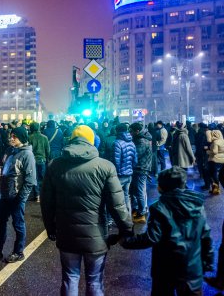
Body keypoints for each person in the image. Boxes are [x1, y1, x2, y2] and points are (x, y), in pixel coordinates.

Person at [40, 125, 133, 296]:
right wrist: (126, 228)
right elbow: (118, 205)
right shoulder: (105, 166)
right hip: (96, 235)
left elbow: (47, 202)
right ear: (92, 141)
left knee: (70, 278)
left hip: (66, 233)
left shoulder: (55, 165)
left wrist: (50, 228)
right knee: (94, 280)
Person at [120, 166, 214, 296]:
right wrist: (207, 261)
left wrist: (127, 241)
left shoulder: (159, 207)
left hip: (165, 269)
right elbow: (206, 236)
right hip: (192, 267)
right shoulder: (197, 205)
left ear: (163, 187)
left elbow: (151, 237)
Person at [0, 127, 36, 263]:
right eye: (11, 136)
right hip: (5, 194)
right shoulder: (12, 150)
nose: (11, 138)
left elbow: (30, 180)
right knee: (0, 222)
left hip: (16, 197)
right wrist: (1, 172)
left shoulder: (27, 155)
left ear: (22, 138)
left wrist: (20, 198)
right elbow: (10, 170)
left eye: (14, 136)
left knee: (18, 225)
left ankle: (18, 252)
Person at [129, 122, 152, 223]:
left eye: (131, 131)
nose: (130, 133)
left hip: (141, 168)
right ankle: (141, 208)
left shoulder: (141, 141)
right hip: (141, 168)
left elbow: (136, 156)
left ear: (137, 131)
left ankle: (142, 211)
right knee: (140, 190)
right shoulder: (141, 138)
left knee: (140, 191)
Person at [112, 123, 137, 215]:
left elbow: (116, 161)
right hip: (129, 174)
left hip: (120, 175)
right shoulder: (132, 142)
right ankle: (128, 216)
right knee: (126, 195)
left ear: (117, 130)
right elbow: (135, 160)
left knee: (114, 196)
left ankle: (115, 218)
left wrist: (116, 173)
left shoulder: (117, 143)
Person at [28, 122, 50, 202]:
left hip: (32, 160)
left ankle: (36, 195)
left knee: (34, 177)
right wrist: (47, 159)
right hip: (42, 160)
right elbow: (48, 150)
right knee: (41, 177)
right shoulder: (45, 137)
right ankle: (41, 195)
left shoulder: (30, 137)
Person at [206, 128, 224, 195]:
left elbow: (214, 151)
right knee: (217, 175)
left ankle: (216, 190)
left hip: (214, 160)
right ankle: (215, 189)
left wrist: (207, 151)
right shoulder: (222, 140)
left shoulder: (215, 142)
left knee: (213, 175)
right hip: (222, 160)